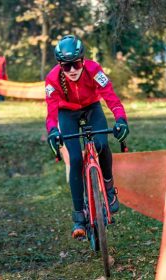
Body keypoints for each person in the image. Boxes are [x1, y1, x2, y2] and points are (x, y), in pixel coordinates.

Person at [45, 35, 130, 240]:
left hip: (92, 108)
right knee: (74, 159)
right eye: (67, 67)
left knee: (101, 144)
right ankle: (78, 217)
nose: (72, 70)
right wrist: (53, 131)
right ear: (60, 66)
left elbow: (111, 97)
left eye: (76, 64)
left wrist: (120, 119)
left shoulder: (94, 70)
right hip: (67, 114)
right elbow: (51, 113)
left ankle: (109, 191)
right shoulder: (52, 79)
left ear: (83, 60)